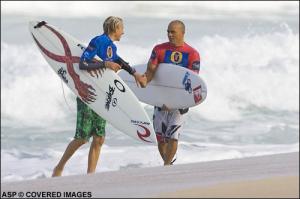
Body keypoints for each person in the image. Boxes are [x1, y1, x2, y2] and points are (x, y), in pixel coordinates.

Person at [52, 16, 143, 177]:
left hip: (102, 94)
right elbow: (83, 63)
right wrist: (105, 64)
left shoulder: (111, 46)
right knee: (82, 138)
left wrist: (134, 73)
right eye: (121, 28)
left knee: (99, 138)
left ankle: (91, 175)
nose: (123, 32)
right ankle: (59, 167)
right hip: (88, 93)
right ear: (115, 29)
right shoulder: (98, 41)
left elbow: (118, 60)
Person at [138, 20, 201, 166]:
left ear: (182, 33)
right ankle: (169, 163)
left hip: (181, 100)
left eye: (173, 32)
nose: (170, 34)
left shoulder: (192, 54)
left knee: (173, 136)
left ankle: (166, 167)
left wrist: (175, 103)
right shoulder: (159, 49)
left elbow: (192, 82)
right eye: (168, 31)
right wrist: (143, 81)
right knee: (160, 138)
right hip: (161, 98)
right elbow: (151, 72)